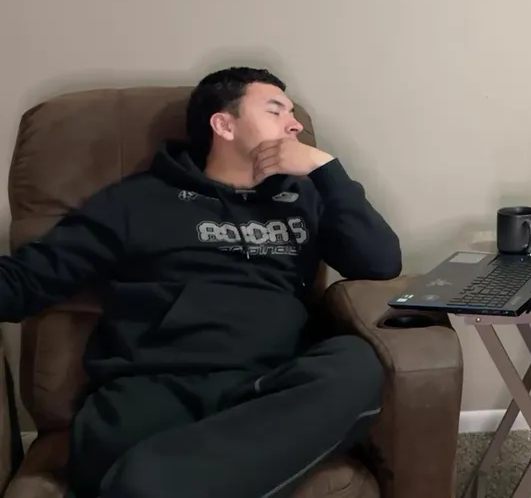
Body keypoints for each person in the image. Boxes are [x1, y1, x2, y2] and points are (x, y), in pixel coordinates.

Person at [0, 67, 403, 498]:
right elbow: (27, 280)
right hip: (151, 391)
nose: (294, 125)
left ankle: (149, 484)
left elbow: (379, 263)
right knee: (120, 451)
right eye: (275, 111)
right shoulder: (137, 201)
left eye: (292, 113)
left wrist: (327, 172)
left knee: (356, 364)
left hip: (265, 391)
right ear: (223, 125)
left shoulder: (304, 199)